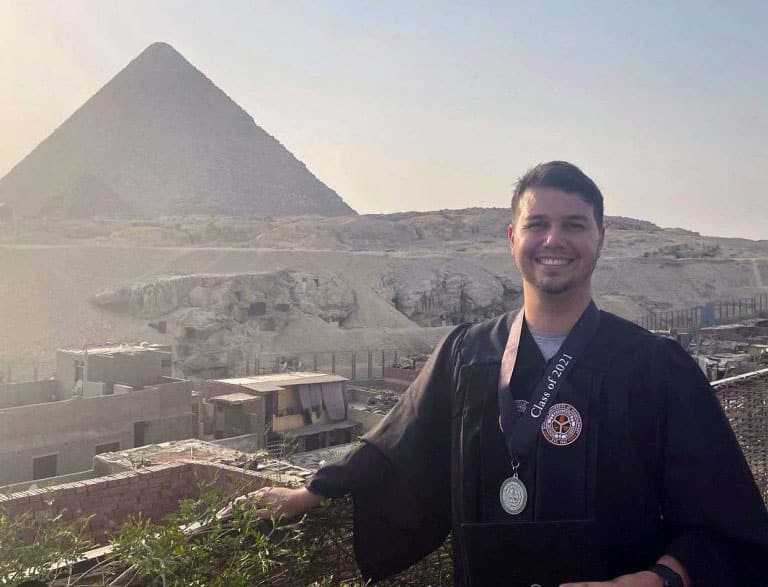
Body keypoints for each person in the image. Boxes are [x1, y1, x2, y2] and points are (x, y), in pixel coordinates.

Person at [220, 162, 768, 586]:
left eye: (574, 224)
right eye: (538, 224)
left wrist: (659, 578)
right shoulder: (467, 355)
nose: (554, 240)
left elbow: (725, 518)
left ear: (600, 237)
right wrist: (311, 491)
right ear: (513, 239)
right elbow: (397, 445)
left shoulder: (654, 367)